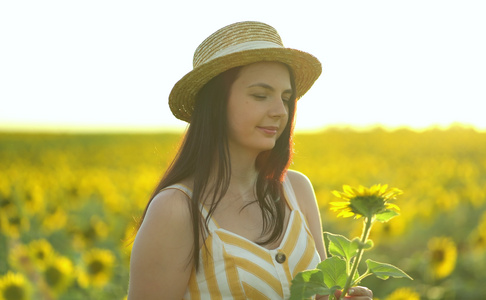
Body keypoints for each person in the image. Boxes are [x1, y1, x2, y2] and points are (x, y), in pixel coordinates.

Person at [128, 21, 373, 300]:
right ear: (215, 103)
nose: (280, 111)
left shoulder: (297, 190)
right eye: (260, 95)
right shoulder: (176, 210)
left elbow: (323, 293)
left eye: (286, 97)